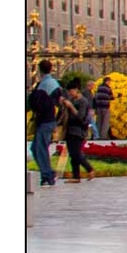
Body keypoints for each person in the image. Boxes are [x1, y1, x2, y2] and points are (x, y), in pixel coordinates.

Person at [28, 60, 61, 190]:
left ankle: (47, 175)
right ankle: (48, 173)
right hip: (47, 120)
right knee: (36, 148)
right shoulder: (52, 83)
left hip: (46, 120)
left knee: (40, 148)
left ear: (40, 70)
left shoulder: (44, 84)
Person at [59, 76, 97, 182]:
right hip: (70, 130)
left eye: (71, 91)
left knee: (76, 153)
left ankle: (90, 169)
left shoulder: (83, 101)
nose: (70, 93)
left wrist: (71, 106)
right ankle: (76, 176)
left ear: (76, 90)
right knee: (73, 154)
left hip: (78, 130)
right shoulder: (72, 99)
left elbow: (81, 117)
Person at [90, 73, 114, 141]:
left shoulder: (99, 88)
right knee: (105, 122)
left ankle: (97, 135)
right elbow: (111, 97)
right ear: (107, 81)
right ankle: (103, 136)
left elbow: (96, 97)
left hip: (99, 107)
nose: (110, 83)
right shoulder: (107, 88)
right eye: (109, 82)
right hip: (105, 107)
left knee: (99, 121)